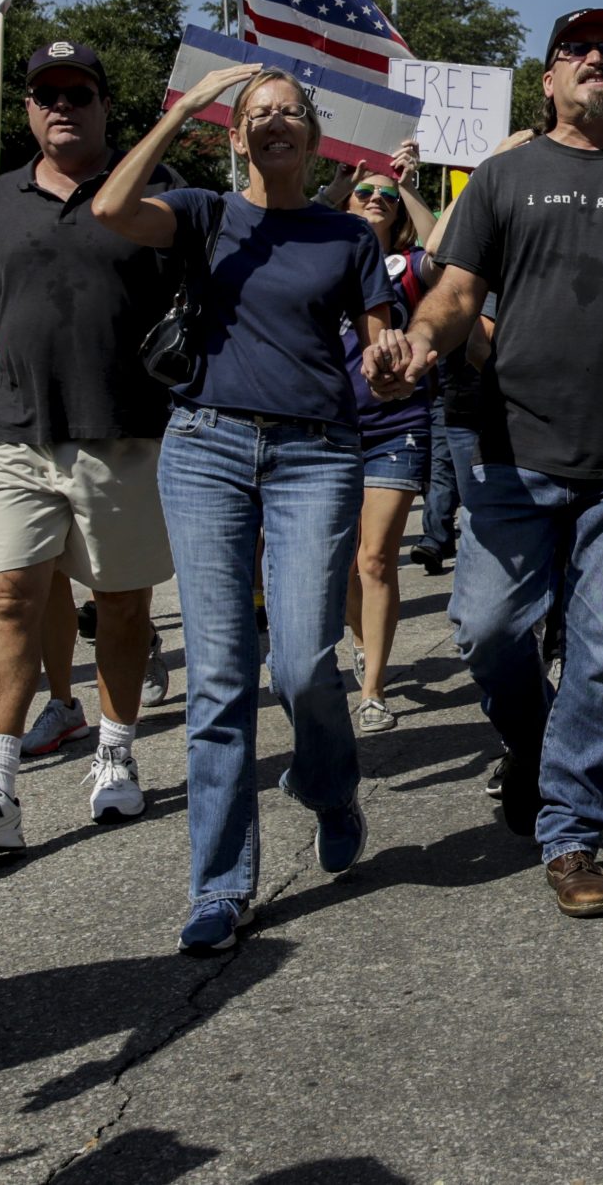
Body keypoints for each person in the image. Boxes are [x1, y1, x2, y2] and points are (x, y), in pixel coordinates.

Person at [399, 7, 603, 923]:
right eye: (577, 51)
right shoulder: (503, 178)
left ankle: (572, 832)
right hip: (510, 452)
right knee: (484, 627)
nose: (598, 61)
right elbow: (457, 292)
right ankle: (538, 742)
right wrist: (422, 340)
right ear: (546, 81)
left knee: (600, 654)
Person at [93, 63, 404, 953]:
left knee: (304, 662)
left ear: (312, 136)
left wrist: (388, 361)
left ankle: (329, 783)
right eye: (257, 114)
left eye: (290, 113)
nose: (275, 122)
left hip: (315, 452)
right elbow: (112, 210)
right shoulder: (202, 213)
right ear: (237, 137)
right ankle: (220, 885)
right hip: (206, 447)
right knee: (220, 676)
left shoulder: (346, 236)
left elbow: (379, 339)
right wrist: (187, 106)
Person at [0, 41, 173, 855]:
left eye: (78, 91)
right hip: (16, 439)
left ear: (103, 105)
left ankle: (116, 755)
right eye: (45, 92)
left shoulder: (149, 198)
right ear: (27, 106)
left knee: (123, 607)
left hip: (126, 439)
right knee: (8, 597)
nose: (61, 104)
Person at [333, 144, 441, 731]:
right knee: (347, 564)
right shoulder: (317, 255)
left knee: (376, 558)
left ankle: (372, 688)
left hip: (395, 426)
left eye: (385, 197)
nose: (376, 200)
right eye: (364, 192)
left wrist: (410, 186)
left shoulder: (407, 267)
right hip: (329, 427)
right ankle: (360, 639)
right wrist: (336, 184)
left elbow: (443, 249)